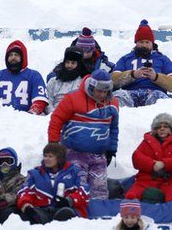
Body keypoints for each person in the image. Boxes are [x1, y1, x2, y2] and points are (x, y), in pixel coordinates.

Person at [48, 71, 120, 199]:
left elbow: (113, 127)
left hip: (99, 154)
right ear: (91, 87)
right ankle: (73, 211)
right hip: (75, 152)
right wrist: (53, 143)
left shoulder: (113, 104)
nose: (102, 95)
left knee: (99, 189)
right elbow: (56, 119)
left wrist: (111, 149)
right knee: (76, 186)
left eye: (105, 92)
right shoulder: (72, 98)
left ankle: (98, 213)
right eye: (99, 91)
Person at [111, 20, 172, 107]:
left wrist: (156, 77)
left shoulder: (163, 59)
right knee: (115, 99)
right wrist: (132, 75)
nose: (144, 45)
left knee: (163, 103)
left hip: (155, 94)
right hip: (129, 93)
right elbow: (113, 81)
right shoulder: (125, 59)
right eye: (141, 42)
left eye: (147, 42)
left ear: (152, 43)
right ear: (136, 43)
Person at [125, 113, 172, 204]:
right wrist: (153, 164)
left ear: (171, 129)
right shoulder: (146, 142)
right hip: (146, 181)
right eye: (158, 127)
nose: (162, 128)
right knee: (130, 200)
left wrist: (164, 164)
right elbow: (136, 157)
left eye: (165, 126)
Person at [17, 142, 90, 224]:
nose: (46, 159)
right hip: (43, 210)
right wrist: (26, 205)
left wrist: (69, 200)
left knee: (65, 213)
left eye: (50, 156)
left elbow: (85, 191)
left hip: (67, 209)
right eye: (45, 156)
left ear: (59, 158)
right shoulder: (35, 173)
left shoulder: (75, 172)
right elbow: (24, 191)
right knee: (26, 217)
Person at [0, 41, 48, 114]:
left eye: (16, 55)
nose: (13, 57)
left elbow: (40, 101)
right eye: (10, 55)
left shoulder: (34, 76)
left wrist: (29, 116)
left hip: (25, 120)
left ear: (23, 57)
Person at [46, 46, 85, 111]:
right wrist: (54, 114)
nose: (69, 66)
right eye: (67, 62)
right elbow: (47, 103)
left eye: (73, 63)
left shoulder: (83, 82)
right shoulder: (53, 81)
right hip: (53, 115)